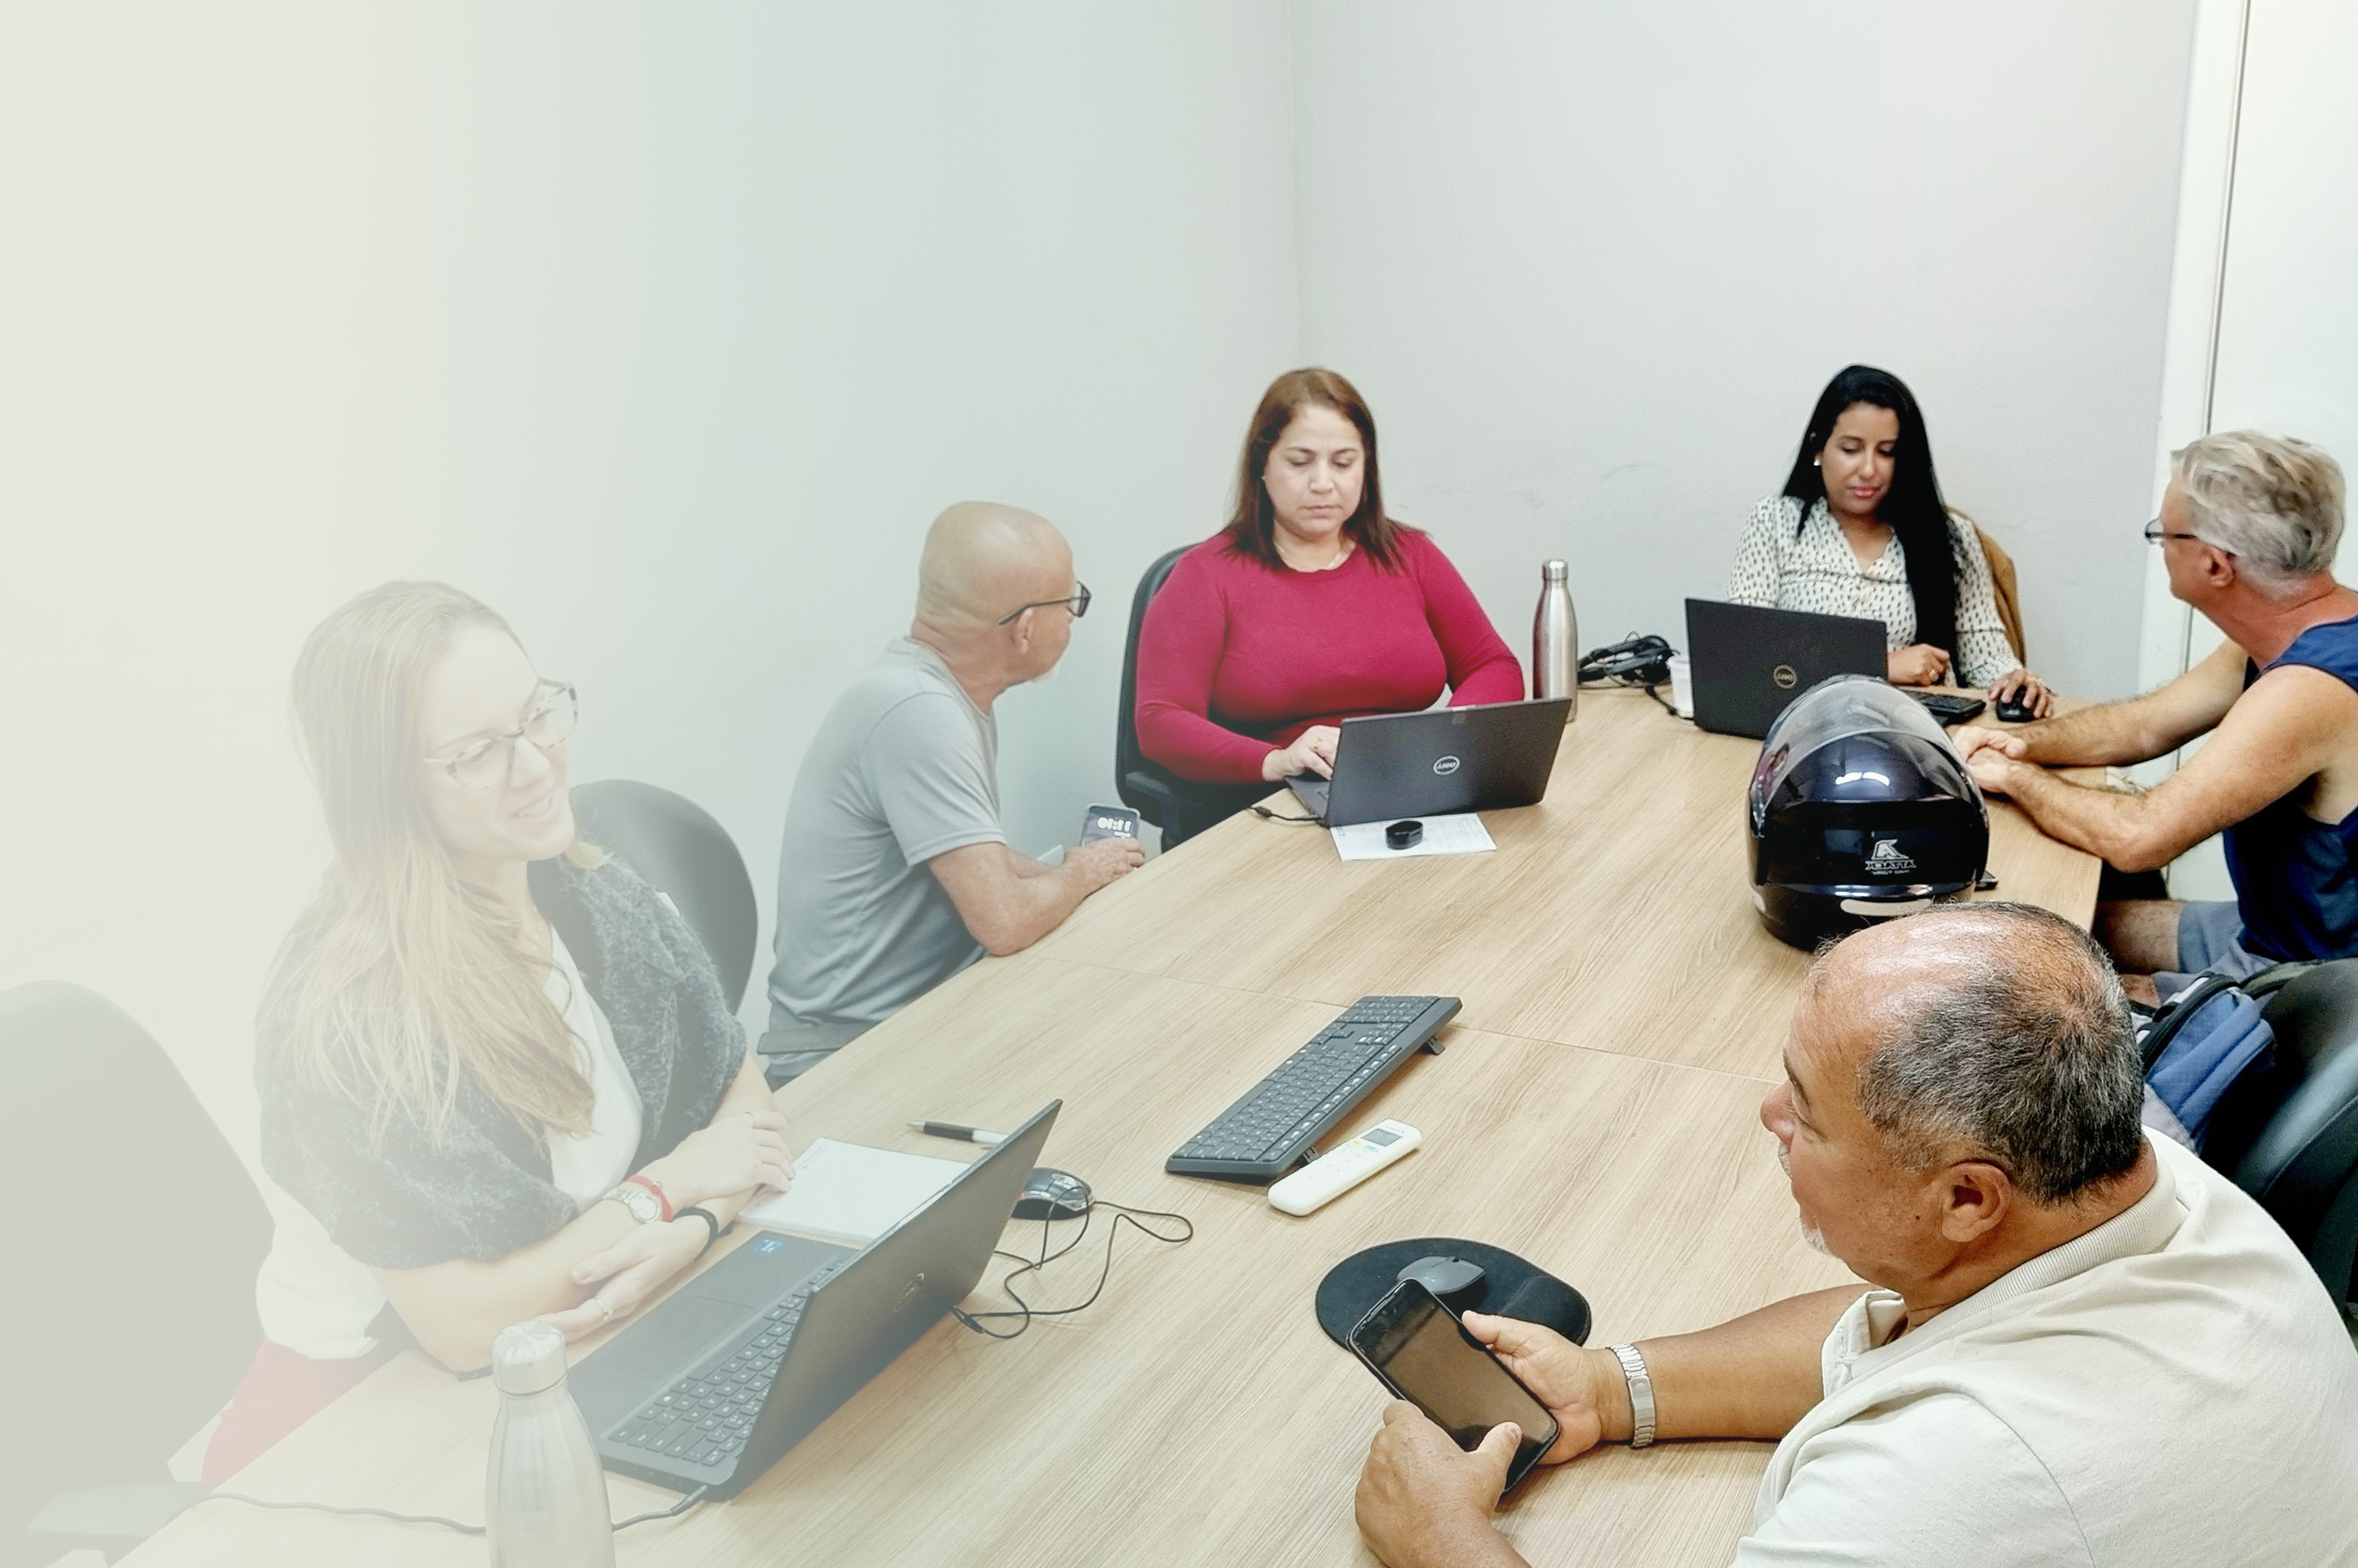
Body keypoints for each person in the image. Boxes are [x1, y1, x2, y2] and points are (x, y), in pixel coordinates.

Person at [1353, 902, 2358, 1567]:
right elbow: (1904, 1331)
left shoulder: (1961, 1478)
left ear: (1967, 1198)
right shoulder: (2133, 1173)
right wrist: (1609, 1387)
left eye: (1806, 1112)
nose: (1767, 1117)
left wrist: (1441, 1539)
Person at [211, 582, 792, 1481]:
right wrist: (670, 1188)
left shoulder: (589, 890)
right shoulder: (346, 1015)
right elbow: (465, 1324)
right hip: (357, 1429)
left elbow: (739, 1089)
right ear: (387, 791)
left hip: (582, 1345)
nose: (535, 766)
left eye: (537, 715)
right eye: (476, 751)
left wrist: (698, 1220)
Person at [1957, 431, 2355, 1003]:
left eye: (2163, 534)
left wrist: (2016, 779)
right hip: (2269, 924)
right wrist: (2016, 744)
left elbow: (2138, 837)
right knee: (2061, 922)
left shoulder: (2311, 687)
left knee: (2039, 999)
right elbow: (2141, 726)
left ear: (2215, 565)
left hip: (2316, 980)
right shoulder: (2287, 634)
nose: (2160, 544)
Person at [761, 502, 1142, 1079]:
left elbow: (974, 858)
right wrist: (1081, 875)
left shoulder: (930, 689)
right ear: (1025, 628)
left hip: (912, 1020)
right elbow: (1005, 923)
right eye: (1071, 604)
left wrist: (1075, 870)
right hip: (849, 1062)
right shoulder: (921, 714)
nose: (1071, 621)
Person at [1133, 368, 1523, 844]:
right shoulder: (1205, 575)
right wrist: (1275, 761)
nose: (1323, 483)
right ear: (1262, 464)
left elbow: (1494, 665)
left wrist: (1438, 738)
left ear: (1367, 466)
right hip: (1270, 810)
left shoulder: (1410, 554)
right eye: (1300, 462)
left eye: (1343, 463)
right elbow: (1159, 720)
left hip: (1409, 791)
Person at [1730, 364, 2050, 710]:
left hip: (1914, 729)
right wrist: (1880, 665)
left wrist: (2016, 681)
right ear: (1818, 448)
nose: (1868, 469)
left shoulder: (1950, 536)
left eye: (1887, 452)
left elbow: (1986, 660)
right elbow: (1746, 651)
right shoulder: (1774, 521)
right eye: (1851, 449)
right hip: (1801, 725)